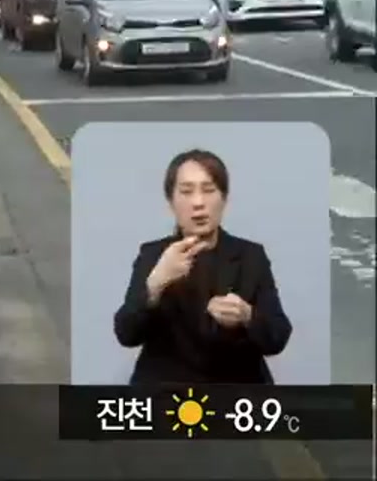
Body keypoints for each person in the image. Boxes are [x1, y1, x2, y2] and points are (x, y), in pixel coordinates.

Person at [113, 148, 292, 385]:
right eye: (186, 192)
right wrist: (155, 284)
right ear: (171, 201)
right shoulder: (153, 254)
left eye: (209, 190)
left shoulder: (250, 255)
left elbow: (278, 337)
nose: (198, 203)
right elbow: (126, 334)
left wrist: (247, 316)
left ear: (224, 198)